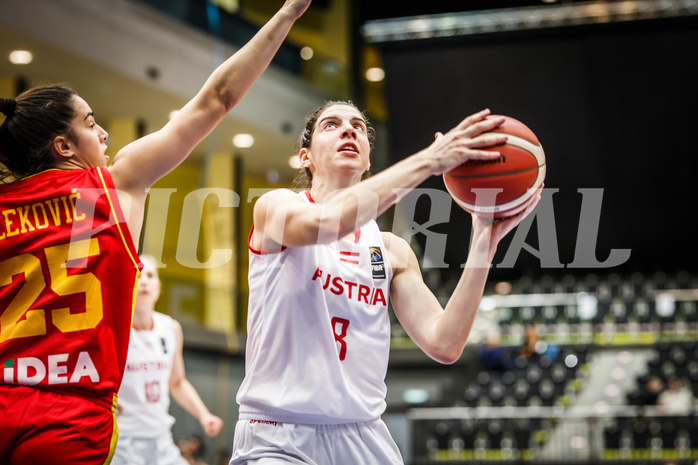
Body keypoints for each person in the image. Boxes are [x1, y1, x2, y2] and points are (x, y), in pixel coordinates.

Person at [0, 1, 311, 463]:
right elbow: (216, 99)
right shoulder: (114, 185)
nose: (103, 133)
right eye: (90, 123)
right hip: (68, 418)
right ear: (63, 146)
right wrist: (286, 14)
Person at [230, 101, 543, 464]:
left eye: (359, 127)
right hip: (279, 434)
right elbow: (328, 222)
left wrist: (483, 244)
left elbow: (445, 344)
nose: (349, 130)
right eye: (331, 125)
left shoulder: (392, 250)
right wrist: (429, 160)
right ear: (306, 157)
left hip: (363, 435)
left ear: (367, 162)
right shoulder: (276, 207)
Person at [112, 256, 224, 465]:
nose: (144, 281)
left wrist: (204, 415)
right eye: (138, 275)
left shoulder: (170, 328)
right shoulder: (116, 329)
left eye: (150, 275)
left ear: (158, 286)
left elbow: (177, 382)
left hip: (161, 438)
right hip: (125, 440)